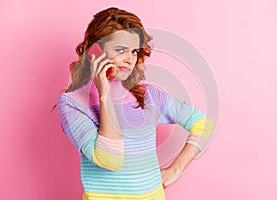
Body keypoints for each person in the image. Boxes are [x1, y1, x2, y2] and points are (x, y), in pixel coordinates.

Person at [54, 7, 214, 200]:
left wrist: (177, 168)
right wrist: (104, 95)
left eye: (134, 51)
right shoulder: (72, 103)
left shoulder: (149, 96)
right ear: (94, 52)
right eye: (121, 50)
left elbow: (202, 123)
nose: (130, 60)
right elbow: (110, 160)